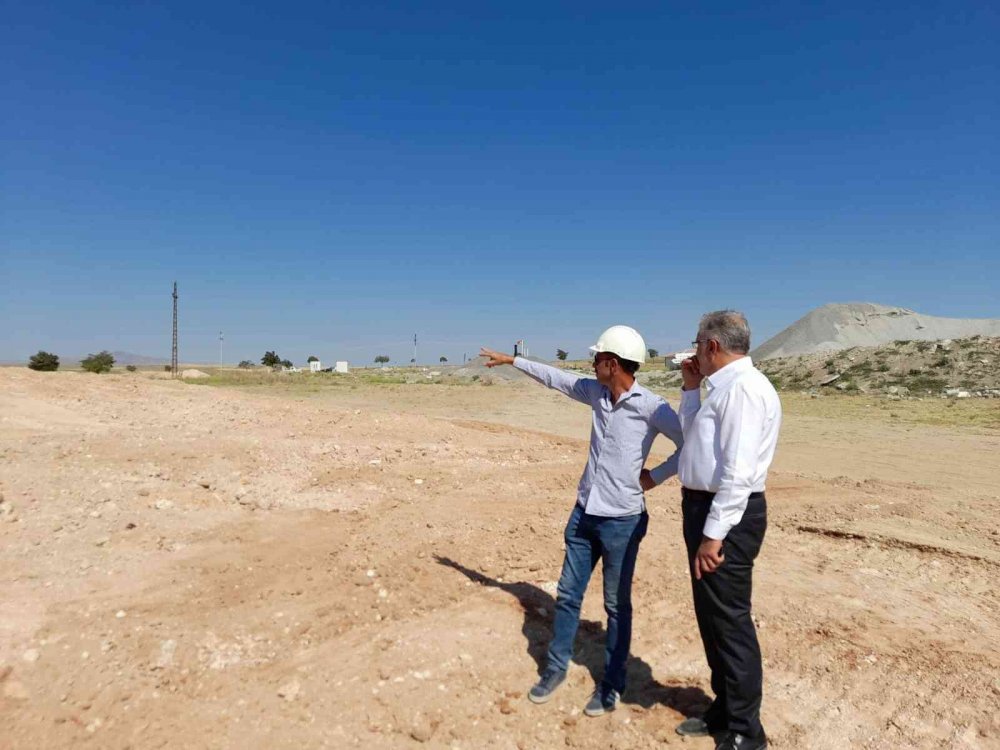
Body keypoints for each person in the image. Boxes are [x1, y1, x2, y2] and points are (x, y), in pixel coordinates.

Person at [480, 325, 683, 717]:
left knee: (615, 606)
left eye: (597, 358)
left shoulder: (653, 406)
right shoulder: (596, 393)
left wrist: (654, 477)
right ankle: (555, 670)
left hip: (622, 520)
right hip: (584, 513)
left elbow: (688, 444)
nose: (591, 364)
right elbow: (558, 379)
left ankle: (611, 684)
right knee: (568, 596)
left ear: (611, 363)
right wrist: (514, 360)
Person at [652, 310, 781, 750]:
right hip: (705, 509)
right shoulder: (720, 390)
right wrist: (690, 391)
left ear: (711, 346)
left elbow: (739, 475)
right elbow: (694, 444)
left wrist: (713, 536)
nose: (694, 353)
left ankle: (747, 731)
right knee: (711, 619)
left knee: (729, 622)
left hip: (726, 516)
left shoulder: (744, 391)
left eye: (696, 344)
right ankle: (724, 709)